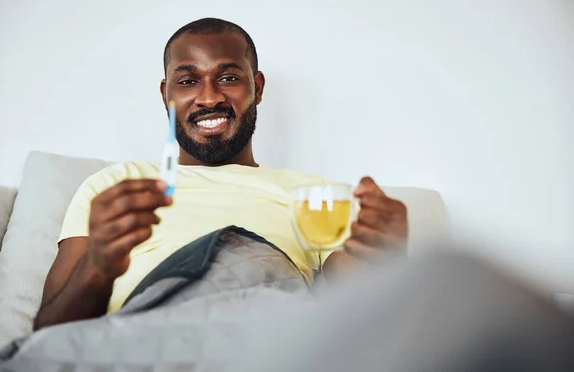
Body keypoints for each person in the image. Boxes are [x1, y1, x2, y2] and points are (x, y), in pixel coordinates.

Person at [33, 17, 408, 330]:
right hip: (140, 338)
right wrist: (98, 267)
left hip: (263, 335)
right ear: (166, 95)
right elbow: (47, 333)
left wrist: (386, 259)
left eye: (228, 78)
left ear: (257, 88)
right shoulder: (115, 185)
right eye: (187, 81)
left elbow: (364, 311)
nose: (209, 97)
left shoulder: (317, 193)